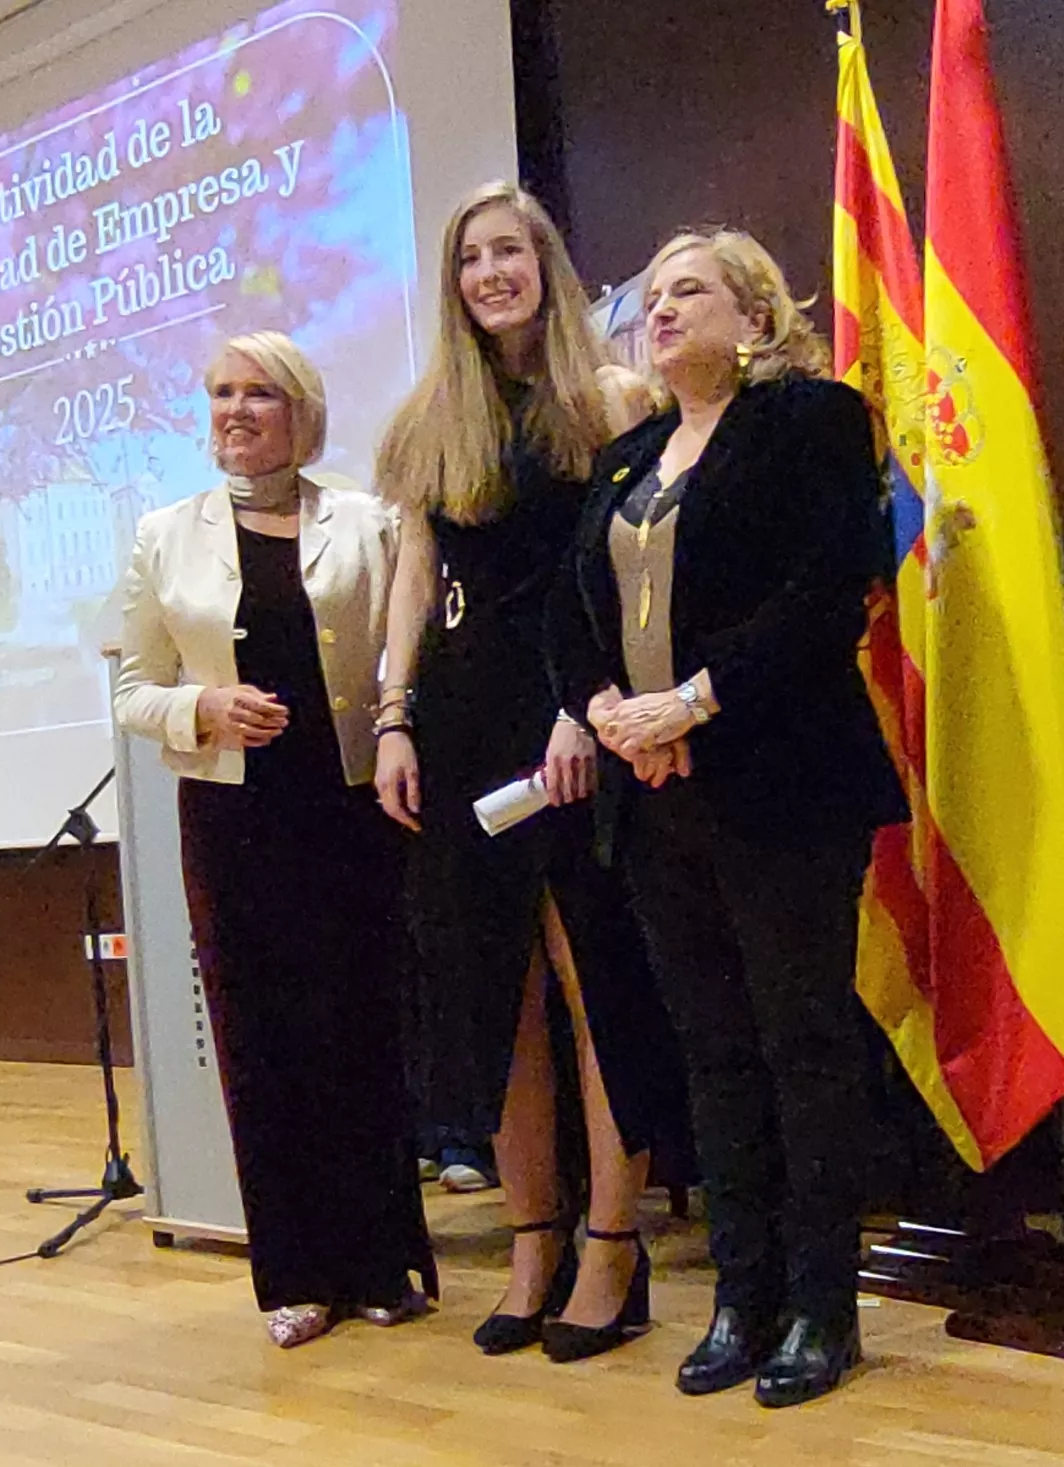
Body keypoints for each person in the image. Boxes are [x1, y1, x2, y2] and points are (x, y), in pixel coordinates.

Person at [559, 227, 905, 1408]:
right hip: (652, 801)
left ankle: (822, 1307)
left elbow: (827, 588)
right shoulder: (630, 455)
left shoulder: (810, 418)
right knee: (713, 1054)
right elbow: (571, 613)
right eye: (650, 298)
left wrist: (692, 705)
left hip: (781, 781)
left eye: (687, 291)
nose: (658, 312)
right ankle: (740, 1298)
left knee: (800, 1046)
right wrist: (610, 713)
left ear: (754, 316)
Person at [372, 181, 680, 1364]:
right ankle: (532, 1239)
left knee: (590, 980)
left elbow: (615, 576)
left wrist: (580, 710)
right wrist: (392, 718)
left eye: (508, 251)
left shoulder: (611, 399)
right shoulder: (426, 423)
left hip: (575, 716)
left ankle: (614, 1244)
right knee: (493, 994)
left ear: (545, 263)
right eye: (469, 259)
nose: (490, 273)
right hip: (457, 724)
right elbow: (412, 576)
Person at [112, 332, 435, 1349]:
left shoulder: (367, 520)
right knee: (262, 1042)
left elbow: (406, 644)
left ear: (302, 412)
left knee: (361, 1030)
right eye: (219, 394)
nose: (236, 411)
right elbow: (133, 691)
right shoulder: (164, 535)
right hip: (232, 816)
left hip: (348, 805)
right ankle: (292, 1272)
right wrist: (200, 705)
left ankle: (383, 1261)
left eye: (259, 394)